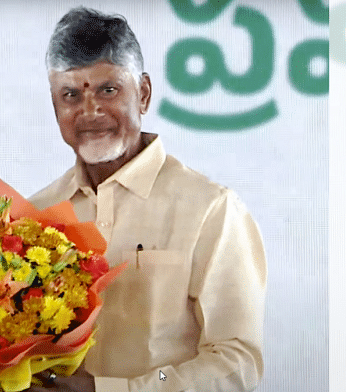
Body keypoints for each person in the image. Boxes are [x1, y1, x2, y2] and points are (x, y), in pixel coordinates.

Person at [28, 7, 267, 392]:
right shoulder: (32, 215)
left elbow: (236, 363)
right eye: (71, 94)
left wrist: (111, 390)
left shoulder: (211, 209)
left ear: (143, 93)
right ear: (54, 105)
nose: (90, 111)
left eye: (109, 90)